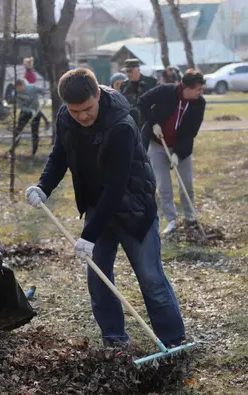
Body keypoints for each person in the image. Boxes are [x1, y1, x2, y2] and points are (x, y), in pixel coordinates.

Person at [24, 68, 186, 348]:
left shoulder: (120, 125)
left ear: (98, 94)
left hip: (133, 206)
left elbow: (116, 188)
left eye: (87, 109)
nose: (82, 116)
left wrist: (88, 236)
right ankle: (115, 341)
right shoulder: (66, 118)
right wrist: (43, 187)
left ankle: (172, 340)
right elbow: (60, 155)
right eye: (75, 111)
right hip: (97, 206)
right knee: (99, 278)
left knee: (150, 277)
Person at [139, 69, 207, 235]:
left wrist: (178, 153)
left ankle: (190, 218)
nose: (200, 92)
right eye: (198, 89)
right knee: (163, 185)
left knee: (187, 185)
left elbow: (191, 132)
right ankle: (172, 220)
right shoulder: (165, 91)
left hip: (181, 147)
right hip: (158, 145)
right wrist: (153, 123)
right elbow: (143, 101)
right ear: (187, 88)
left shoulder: (199, 103)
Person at [10, 78, 46, 159]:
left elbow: (43, 91)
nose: (17, 89)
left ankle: (34, 152)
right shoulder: (16, 94)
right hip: (25, 113)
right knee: (18, 131)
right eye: (15, 87)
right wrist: (29, 110)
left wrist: (44, 97)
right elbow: (21, 106)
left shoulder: (32, 88)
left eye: (18, 87)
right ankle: (12, 149)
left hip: (36, 113)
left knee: (35, 133)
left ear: (22, 85)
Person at [119, 58, 158, 127]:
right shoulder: (124, 85)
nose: (128, 74)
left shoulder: (151, 82)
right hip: (131, 123)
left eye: (130, 71)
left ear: (138, 70)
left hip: (148, 122)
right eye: (126, 71)